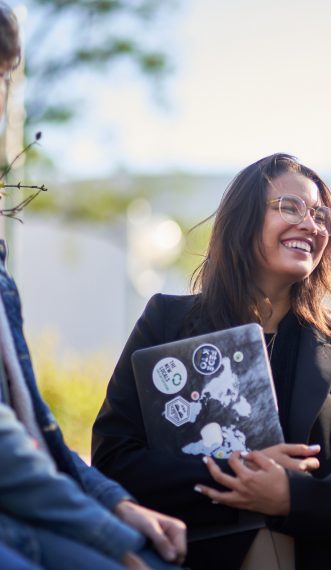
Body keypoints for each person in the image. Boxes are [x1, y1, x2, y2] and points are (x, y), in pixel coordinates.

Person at [92, 153, 331, 570]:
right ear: (243, 218)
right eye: (290, 207)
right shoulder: (167, 321)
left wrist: (289, 497)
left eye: (322, 216)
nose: (311, 225)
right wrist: (233, 474)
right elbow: (115, 458)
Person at [0, 3, 187, 569]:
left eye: (3, 82)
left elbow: (37, 433)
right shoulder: (166, 318)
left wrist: (117, 506)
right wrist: (110, 535)